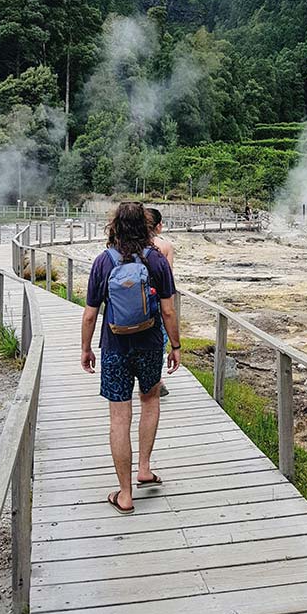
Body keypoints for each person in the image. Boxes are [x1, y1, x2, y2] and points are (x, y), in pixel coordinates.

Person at [81, 201, 181, 515]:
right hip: (150, 343)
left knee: (119, 418)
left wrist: (86, 349)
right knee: (150, 400)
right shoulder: (157, 259)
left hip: (114, 347)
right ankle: (145, 469)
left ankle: (125, 495)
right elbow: (168, 310)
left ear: (115, 226)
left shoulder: (104, 261)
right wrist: (175, 346)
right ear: (146, 225)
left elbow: (90, 314)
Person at [146, 207, 175, 398]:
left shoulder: (128, 244)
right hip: (156, 299)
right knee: (158, 338)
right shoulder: (165, 246)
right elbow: (168, 278)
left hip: (131, 300)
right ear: (158, 226)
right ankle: (156, 379)